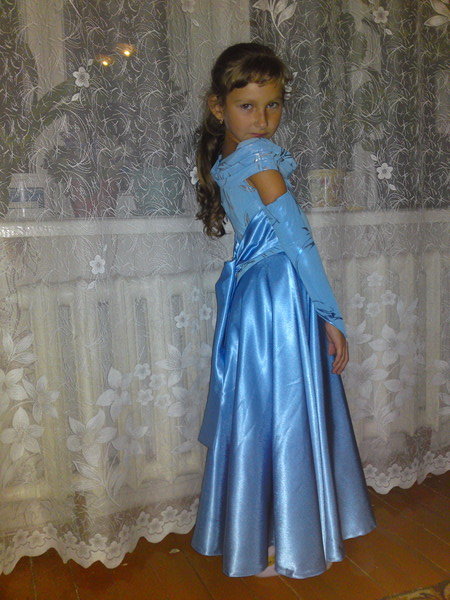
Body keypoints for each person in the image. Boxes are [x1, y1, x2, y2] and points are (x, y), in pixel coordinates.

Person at [190, 42, 377, 579]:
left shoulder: (229, 157)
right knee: (287, 409)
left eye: (273, 104)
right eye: (247, 105)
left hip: (256, 295)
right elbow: (298, 241)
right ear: (219, 107)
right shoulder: (258, 158)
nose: (263, 118)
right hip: (280, 294)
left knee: (261, 412)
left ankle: (263, 533)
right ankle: (283, 539)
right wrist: (331, 315)